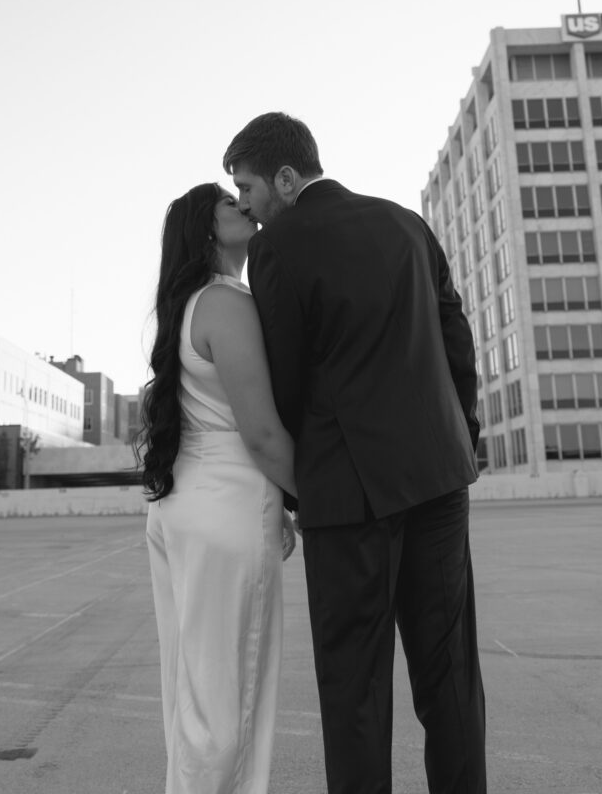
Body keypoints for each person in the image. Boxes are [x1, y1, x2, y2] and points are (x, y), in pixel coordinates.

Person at [223, 113, 487, 794]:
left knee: (355, 692)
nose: (245, 203)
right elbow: (455, 341)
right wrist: (463, 443)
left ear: (285, 177)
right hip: (437, 481)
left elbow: (285, 379)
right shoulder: (405, 224)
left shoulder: (278, 247)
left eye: (247, 186)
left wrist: (289, 494)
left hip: (346, 497)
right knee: (450, 677)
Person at [135, 182, 297, 794]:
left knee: (192, 693)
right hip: (227, 509)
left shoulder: (189, 304)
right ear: (208, 229)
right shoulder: (228, 303)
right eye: (232, 204)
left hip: (183, 506)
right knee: (228, 699)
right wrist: (308, 498)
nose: (246, 206)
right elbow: (259, 432)